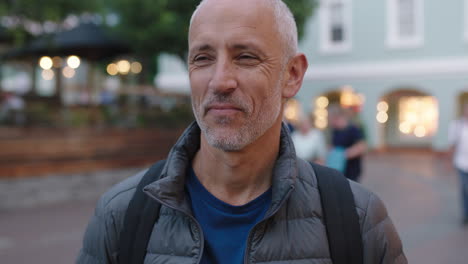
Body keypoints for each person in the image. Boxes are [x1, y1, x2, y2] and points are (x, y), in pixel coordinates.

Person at [76, 0, 406, 263]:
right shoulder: (122, 215)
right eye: (202, 58)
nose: (220, 81)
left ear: (292, 75)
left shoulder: (357, 218)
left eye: (246, 57)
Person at [328, 105, 367, 181]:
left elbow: (362, 147)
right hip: (339, 170)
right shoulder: (335, 131)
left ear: (337, 117)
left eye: (330, 119)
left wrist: (342, 154)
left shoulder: (353, 129)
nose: (330, 121)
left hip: (351, 170)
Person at [449, 102, 468, 225]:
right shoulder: (457, 125)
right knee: (464, 189)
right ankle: (465, 214)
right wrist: (449, 161)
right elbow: (452, 143)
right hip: (461, 163)